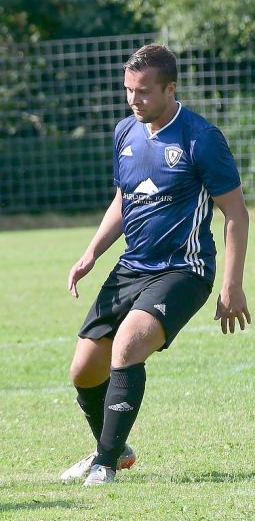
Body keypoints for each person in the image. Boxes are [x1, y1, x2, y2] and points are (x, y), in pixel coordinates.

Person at [61, 44, 249, 486]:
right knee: (85, 370)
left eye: (143, 91)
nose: (134, 100)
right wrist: (91, 252)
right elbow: (124, 199)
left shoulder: (201, 138)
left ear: (170, 88)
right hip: (132, 267)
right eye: (129, 90)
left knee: (127, 347)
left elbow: (236, 213)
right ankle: (116, 448)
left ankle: (104, 464)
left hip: (183, 269)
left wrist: (233, 284)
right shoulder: (125, 131)